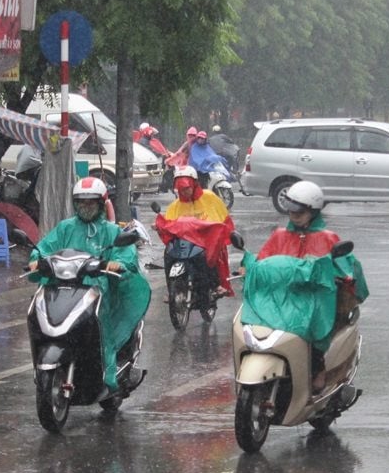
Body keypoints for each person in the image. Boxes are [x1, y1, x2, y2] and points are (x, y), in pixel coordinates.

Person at [239, 180, 368, 391]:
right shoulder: (279, 236)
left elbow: (347, 265)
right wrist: (248, 267)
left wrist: (344, 276)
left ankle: (317, 368)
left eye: (299, 211)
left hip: (312, 298)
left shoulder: (327, 238)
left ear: (313, 210)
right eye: (291, 209)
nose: (294, 215)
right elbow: (263, 259)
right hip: (280, 296)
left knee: (313, 324)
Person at [28, 177, 151, 392]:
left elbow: (125, 255)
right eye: (81, 202)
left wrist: (117, 264)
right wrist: (36, 258)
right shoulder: (65, 227)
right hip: (64, 288)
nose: (85, 207)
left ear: (101, 204)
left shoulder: (110, 231)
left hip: (99, 289)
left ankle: (109, 372)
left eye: (91, 202)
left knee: (102, 328)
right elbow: (45, 247)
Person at [154, 166, 235, 298]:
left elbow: (222, 220)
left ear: (195, 184)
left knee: (207, 257)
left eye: (187, 188)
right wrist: (159, 225)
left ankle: (215, 285)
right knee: (168, 255)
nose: (184, 192)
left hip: (204, 244)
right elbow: (169, 224)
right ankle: (172, 292)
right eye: (181, 189)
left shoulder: (210, 198)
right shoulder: (175, 205)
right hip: (183, 245)